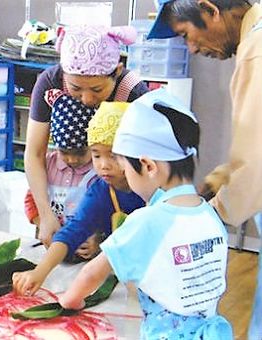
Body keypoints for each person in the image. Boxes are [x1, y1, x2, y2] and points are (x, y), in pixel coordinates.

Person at [58, 89, 232, 339]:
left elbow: (92, 272)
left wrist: (71, 299)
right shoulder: (210, 215)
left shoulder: (148, 221)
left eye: (126, 168)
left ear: (149, 166)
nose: (125, 175)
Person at [148, 1, 261, 338]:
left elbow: (257, 156)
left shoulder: (257, 49)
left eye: (187, 35)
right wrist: (230, 172)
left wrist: (211, 213)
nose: (193, 48)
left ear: (210, 9)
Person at [25, 24, 149, 247]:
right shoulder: (49, 82)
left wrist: (102, 230)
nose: (87, 99)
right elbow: (34, 153)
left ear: (117, 71)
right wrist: (45, 215)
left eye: (97, 90)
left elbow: (145, 169)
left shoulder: (134, 92)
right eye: (75, 88)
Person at [13, 101, 145, 296]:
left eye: (113, 156)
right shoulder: (101, 191)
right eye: (96, 155)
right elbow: (73, 231)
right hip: (124, 279)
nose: (104, 165)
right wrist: (39, 272)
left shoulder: (149, 190)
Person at [24, 89, 99, 262]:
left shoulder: (99, 173)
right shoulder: (47, 166)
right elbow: (31, 200)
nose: (72, 159)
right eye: (64, 152)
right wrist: (42, 220)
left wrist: (97, 239)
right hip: (51, 253)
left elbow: (110, 211)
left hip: (86, 257)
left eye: (80, 153)